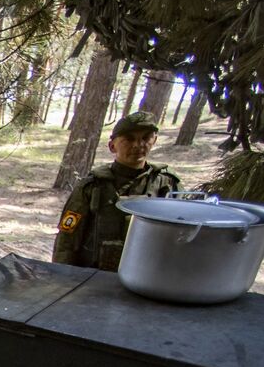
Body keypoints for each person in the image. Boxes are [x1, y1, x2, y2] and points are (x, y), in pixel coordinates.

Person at [54, 110, 181, 270]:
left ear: (154, 140)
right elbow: (67, 239)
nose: (138, 145)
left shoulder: (166, 184)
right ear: (112, 145)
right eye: (129, 139)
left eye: (145, 138)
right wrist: (62, 276)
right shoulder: (92, 186)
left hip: (147, 274)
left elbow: (180, 235)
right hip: (94, 276)